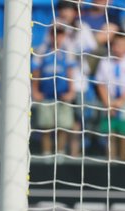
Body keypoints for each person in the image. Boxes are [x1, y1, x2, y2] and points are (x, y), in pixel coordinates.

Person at [32, 25, 79, 157]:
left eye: (60, 34)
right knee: (45, 126)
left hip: (62, 95)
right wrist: (35, 90)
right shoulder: (42, 51)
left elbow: (71, 72)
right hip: (46, 95)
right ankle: (46, 154)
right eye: (54, 34)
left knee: (63, 126)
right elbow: (36, 72)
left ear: (64, 36)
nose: (57, 37)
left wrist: (71, 91)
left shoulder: (67, 52)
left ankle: (60, 153)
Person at [95, 32, 125, 161]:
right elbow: (101, 83)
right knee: (110, 133)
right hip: (108, 102)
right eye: (116, 44)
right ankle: (110, 160)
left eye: (122, 45)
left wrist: (121, 101)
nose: (119, 48)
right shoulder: (105, 61)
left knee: (124, 133)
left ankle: (122, 160)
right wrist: (108, 103)